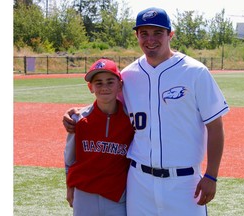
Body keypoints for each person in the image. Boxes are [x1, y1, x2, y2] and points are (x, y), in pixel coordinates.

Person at [63, 7, 229, 216]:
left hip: (184, 183)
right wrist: (78, 112)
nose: (150, 40)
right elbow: (109, 104)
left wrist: (212, 176)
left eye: (157, 32)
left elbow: (215, 126)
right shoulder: (129, 75)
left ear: (170, 34)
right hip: (139, 183)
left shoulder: (195, 72)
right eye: (144, 33)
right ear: (137, 36)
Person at [64, 58, 134, 216]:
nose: (105, 88)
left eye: (110, 82)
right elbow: (69, 159)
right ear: (90, 87)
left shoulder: (130, 120)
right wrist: (69, 186)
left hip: (117, 196)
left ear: (120, 85)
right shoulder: (79, 119)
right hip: (84, 194)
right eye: (99, 83)